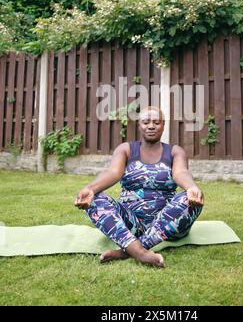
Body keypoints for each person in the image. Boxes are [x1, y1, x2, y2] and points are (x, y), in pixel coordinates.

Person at [75, 106, 204, 268]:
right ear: (139, 125)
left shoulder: (174, 151)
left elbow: (181, 173)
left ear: (163, 125)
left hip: (168, 224)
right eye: (146, 122)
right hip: (132, 224)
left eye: (156, 122)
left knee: (191, 198)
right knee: (96, 198)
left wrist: (191, 187)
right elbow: (113, 172)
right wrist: (90, 189)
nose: (151, 126)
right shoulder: (126, 149)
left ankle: (127, 251)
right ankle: (139, 252)